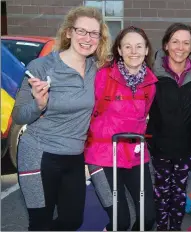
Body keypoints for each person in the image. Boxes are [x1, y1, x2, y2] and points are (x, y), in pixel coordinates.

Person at [12, 6, 111, 231]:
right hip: (38, 155)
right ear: (68, 32)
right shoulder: (41, 66)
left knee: (72, 220)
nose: (87, 38)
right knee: (40, 224)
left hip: (74, 157)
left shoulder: (95, 69)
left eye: (94, 33)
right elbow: (18, 115)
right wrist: (39, 104)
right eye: (81, 31)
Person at [84, 26, 157, 231]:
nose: (133, 51)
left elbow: (144, 116)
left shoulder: (151, 84)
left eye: (138, 46)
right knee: (120, 222)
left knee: (148, 218)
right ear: (119, 50)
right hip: (102, 156)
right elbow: (84, 111)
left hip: (135, 156)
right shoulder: (102, 77)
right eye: (127, 46)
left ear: (146, 50)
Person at [147, 23, 191, 231]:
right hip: (159, 145)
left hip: (186, 147)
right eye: (175, 42)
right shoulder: (153, 73)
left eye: (186, 43)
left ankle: (175, 228)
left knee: (179, 193)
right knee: (161, 193)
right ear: (166, 45)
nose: (180, 47)